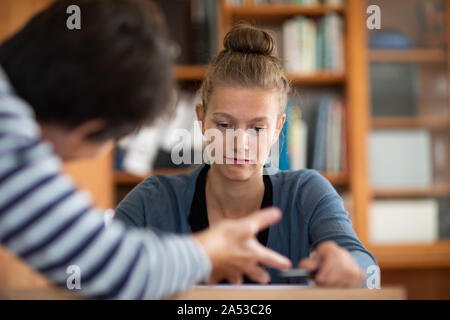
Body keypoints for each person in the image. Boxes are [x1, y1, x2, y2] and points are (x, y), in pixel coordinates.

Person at [0, 0, 292, 299]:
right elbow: (109, 265)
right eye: (108, 140)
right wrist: (209, 250)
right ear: (87, 128)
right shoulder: (8, 141)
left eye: (257, 128)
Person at [115, 24, 378, 287]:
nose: (240, 145)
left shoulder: (306, 193)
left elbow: (368, 273)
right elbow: (88, 273)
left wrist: (347, 264)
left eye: (257, 128)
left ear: (277, 129)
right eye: (225, 125)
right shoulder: (153, 200)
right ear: (201, 119)